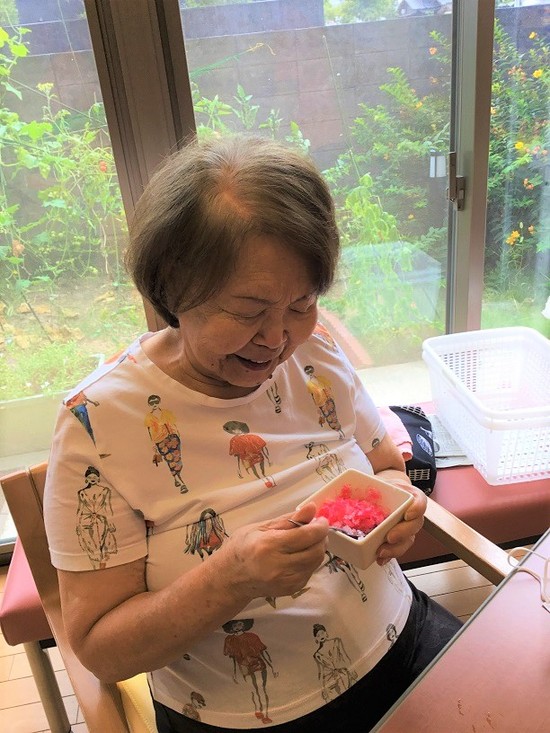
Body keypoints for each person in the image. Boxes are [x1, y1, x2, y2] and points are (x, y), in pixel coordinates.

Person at [44, 135, 461, 733]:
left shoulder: (316, 353)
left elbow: (385, 464)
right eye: (246, 311)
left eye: (302, 303)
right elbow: (102, 650)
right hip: (248, 718)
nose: (276, 339)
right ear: (173, 286)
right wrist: (230, 578)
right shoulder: (99, 423)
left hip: (403, 639)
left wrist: (398, 505)